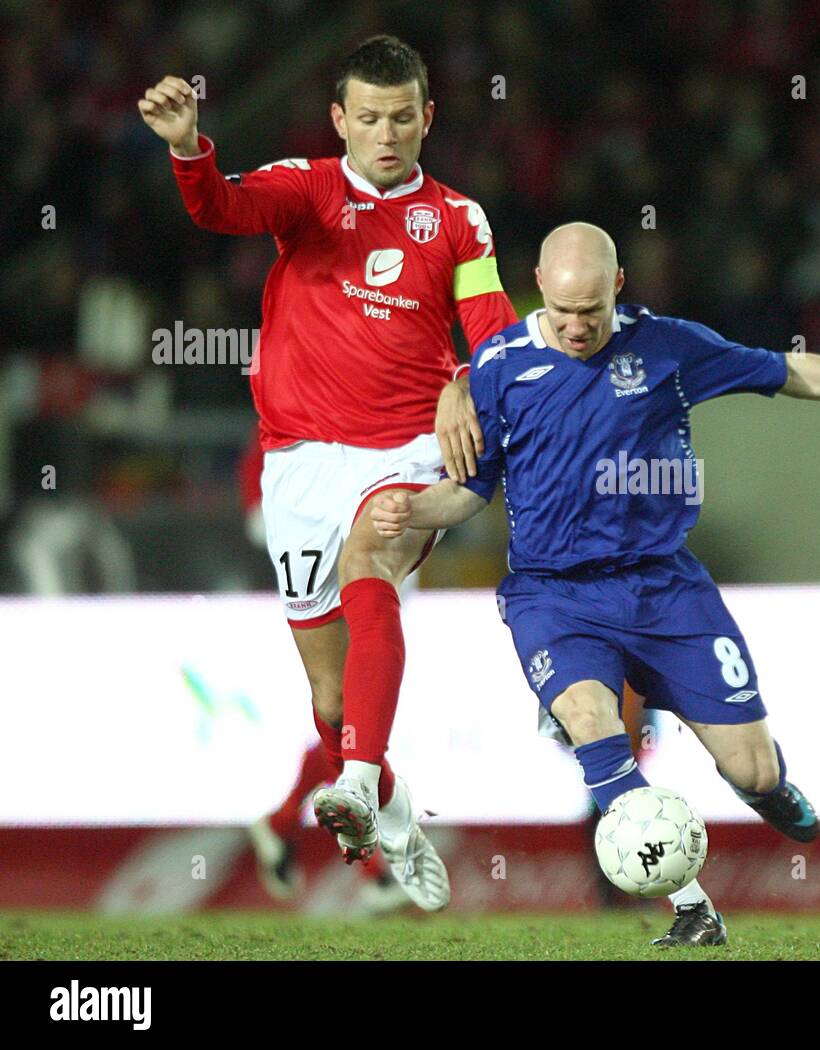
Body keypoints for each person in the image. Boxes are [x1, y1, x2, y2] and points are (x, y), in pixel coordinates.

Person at [370, 222, 820, 945]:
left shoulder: (669, 347)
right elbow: (470, 490)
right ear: (537, 284)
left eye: (590, 313)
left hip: (664, 591)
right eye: (561, 312)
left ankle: (767, 788)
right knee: (592, 723)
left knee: (750, 769)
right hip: (553, 596)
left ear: (618, 286)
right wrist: (411, 506)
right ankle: (691, 905)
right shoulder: (497, 365)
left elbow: (791, 372)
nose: (574, 327)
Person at [138, 35, 518, 910]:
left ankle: (352, 782)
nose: (385, 135)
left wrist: (467, 378)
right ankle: (389, 806)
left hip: (406, 450)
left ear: (428, 118)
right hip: (300, 457)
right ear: (339, 120)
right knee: (327, 689)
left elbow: (492, 328)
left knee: (370, 560)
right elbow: (222, 210)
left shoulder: (461, 220)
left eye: (401, 118)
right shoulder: (307, 189)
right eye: (368, 119)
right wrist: (190, 149)